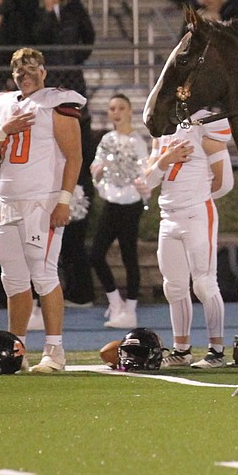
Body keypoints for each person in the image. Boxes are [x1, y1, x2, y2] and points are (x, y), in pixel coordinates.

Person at [0, 48, 86, 373]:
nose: (25, 74)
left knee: (43, 274)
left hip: (43, 201)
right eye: (18, 70)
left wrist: (64, 200)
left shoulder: (57, 102)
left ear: (44, 71)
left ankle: (55, 351)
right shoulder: (3, 105)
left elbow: (74, 157)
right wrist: (3, 129)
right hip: (7, 202)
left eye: (31, 68)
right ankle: (16, 349)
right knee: (13, 280)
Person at [141, 97, 234, 369]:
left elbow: (225, 182)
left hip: (196, 214)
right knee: (174, 287)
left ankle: (216, 351)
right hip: (168, 216)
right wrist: (165, 160)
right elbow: (147, 182)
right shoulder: (163, 130)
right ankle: (182, 350)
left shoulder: (205, 124)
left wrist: (196, 198)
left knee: (204, 284)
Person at [90, 94, 149, 330]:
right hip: (111, 202)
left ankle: (131, 310)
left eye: (121, 108)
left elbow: (145, 171)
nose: (116, 112)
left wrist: (143, 188)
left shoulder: (138, 141)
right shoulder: (106, 139)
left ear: (130, 111)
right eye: (112, 108)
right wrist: (98, 171)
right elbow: (96, 167)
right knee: (96, 254)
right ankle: (115, 302)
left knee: (129, 256)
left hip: (131, 204)